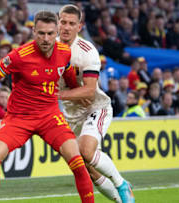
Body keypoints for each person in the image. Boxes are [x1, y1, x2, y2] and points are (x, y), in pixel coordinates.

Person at [0, 11, 94, 203]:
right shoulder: (19, 56)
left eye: (50, 33)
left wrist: (77, 93)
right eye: (41, 33)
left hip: (50, 116)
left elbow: (68, 75)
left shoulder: (65, 52)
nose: (46, 38)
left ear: (57, 31)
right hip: (19, 118)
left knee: (77, 162)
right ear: (33, 31)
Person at [57, 5, 134, 203]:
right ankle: (121, 200)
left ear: (80, 26)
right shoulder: (48, 46)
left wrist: (57, 95)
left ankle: (121, 183)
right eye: (63, 22)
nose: (66, 27)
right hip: (70, 116)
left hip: (95, 108)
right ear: (57, 22)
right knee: (87, 169)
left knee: (87, 151)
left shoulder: (86, 50)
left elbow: (90, 91)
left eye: (71, 24)